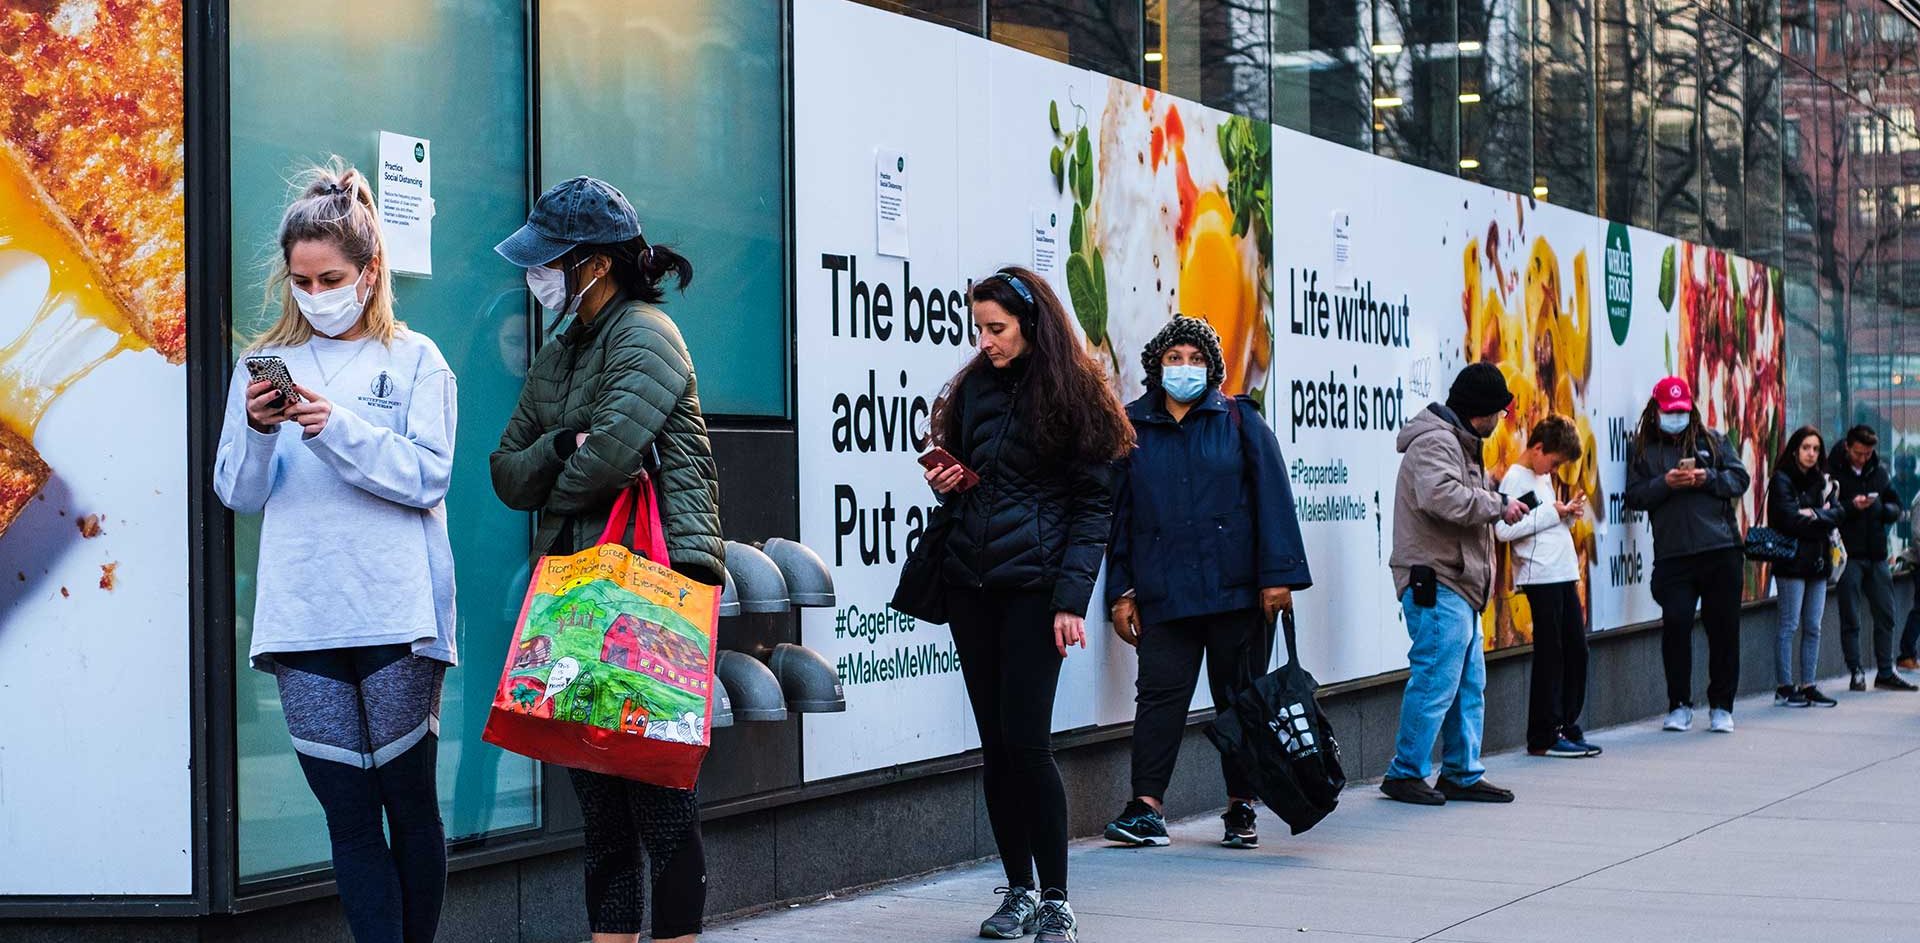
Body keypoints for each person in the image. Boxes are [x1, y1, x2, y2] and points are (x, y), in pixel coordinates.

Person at [213, 160, 458, 943]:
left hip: (396, 614)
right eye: (300, 281)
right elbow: (238, 492)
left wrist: (335, 426)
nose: (315, 295)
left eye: (331, 278)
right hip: (302, 616)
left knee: (408, 803)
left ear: (369, 271)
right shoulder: (262, 366)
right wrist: (258, 428)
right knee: (348, 819)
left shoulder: (417, 359)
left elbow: (428, 475)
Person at [489, 176, 722, 943]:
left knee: (658, 800)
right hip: (579, 587)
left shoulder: (647, 333)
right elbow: (506, 469)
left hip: (651, 584)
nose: (539, 276)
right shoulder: (564, 350)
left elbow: (611, 460)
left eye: (551, 261)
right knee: (600, 813)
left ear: (595, 262)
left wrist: (574, 461)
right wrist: (564, 444)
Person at [923, 267, 1130, 943]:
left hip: (1036, 592)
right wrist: (950, 480)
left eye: (998, 328)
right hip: (972, 585)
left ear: (1033, 322)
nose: (986, 341)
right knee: (995, 747)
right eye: (979, 328)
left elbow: (1093, 506)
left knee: (1027, 742)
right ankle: (1016, 891)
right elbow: (971, 484)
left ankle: (1057, 899)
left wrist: (1071, 599)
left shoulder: (1075, 393)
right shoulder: (973, 389)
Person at [1100, 317, 1312, 850]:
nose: (1185, 368)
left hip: (1237, 592)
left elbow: (1273, 501)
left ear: (1212, 368)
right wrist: (1121, 591)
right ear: (1156, 365)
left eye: (1196, 359)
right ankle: (1146, 808)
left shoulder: (1239, 420)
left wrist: (1277, 579)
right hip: (1164, 592)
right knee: (1158, 698)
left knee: (1238, 699)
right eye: (1175, 358)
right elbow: (1117, 517)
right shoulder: (1130, 427)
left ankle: (1241, 806)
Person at [1379, 362, 1526, 806]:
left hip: (1458, 584)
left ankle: (1461, 771)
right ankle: (1405, 772)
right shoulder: (1436, 443)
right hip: (1436, 581)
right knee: (1436, 679)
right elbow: (1441, 497)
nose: (1502, 421)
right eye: (1499, 413)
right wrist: (1497, 504)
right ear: (1482, 412)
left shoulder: (1461, 442)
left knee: (1466, 684)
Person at [1624, 376, 1751, 734]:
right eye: (1669, 410)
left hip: (1721, 549)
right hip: (1673, 555)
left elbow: (1740, 479)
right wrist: (1665, 483)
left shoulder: (1712, 440)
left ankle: (1722, 705)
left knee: (1723, 629)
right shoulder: (1644, 449)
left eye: (1681, 410)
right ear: (1656, 409)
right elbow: (1633, 496)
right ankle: (1678, 703)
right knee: (1676, 624)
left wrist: (1706, 478)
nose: (1676, 416)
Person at [1493, 415, 1598, 759]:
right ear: (1538, 448)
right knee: (1552, 654)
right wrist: (1553, 513)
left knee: (1575, 650)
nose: (1553, 470)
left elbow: (1539, 520)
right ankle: (1544, 732)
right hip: (1540, 575)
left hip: (1560, 571)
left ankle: (1565, 724)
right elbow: (1504, 530)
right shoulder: (1515, 478)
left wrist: (1565, 514)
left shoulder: (1539, 476)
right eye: (1553, 462)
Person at [1827, 425, 1915, 692]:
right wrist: (1851, 507)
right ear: (1847, 447)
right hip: (1849, 555)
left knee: (1886, 613)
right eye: (1858, 453)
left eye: (1867, 453)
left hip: (1877, 554)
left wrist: (1879, 508)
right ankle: (1856, 671)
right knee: (1850, 616)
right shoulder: (1834, 474)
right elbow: (1827, 511)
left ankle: (1886, 671)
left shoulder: (1879, 472)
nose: (1862, 458)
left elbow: (1897, 506)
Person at [1768, 426, 1842, 708]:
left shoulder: (1823, 481)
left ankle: (1808, 683)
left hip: (1819, 561)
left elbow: (1839, 512)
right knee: (1789, 625)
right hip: (1791, 561)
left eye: (1816, 449)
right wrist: (1820, 517)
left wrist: (1812, 514)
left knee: (1814, 626)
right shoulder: (1782, 480)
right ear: (1795, 449)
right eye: (1806, 448)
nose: (1811, 454)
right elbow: (1787, 519)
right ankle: (1784, 687)